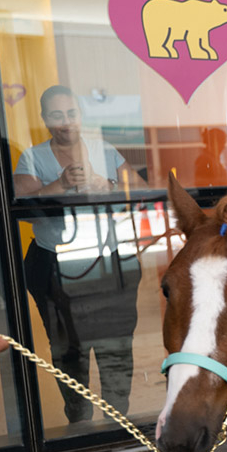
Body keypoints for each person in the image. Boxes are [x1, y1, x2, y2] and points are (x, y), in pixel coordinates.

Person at [13, 85, 147, 423]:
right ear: (45, 119)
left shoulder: (104, 150)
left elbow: (141, 192)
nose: (66, 122)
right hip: (54, 268)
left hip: (109, 264)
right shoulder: (32, 158)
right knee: (67, 350)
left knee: (116, 346)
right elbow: (20, 209)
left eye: (71, 113)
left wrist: (107, 185)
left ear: (81, 115)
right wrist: (58, 185)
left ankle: (118, 419)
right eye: (56, 115)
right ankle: (79, 418)